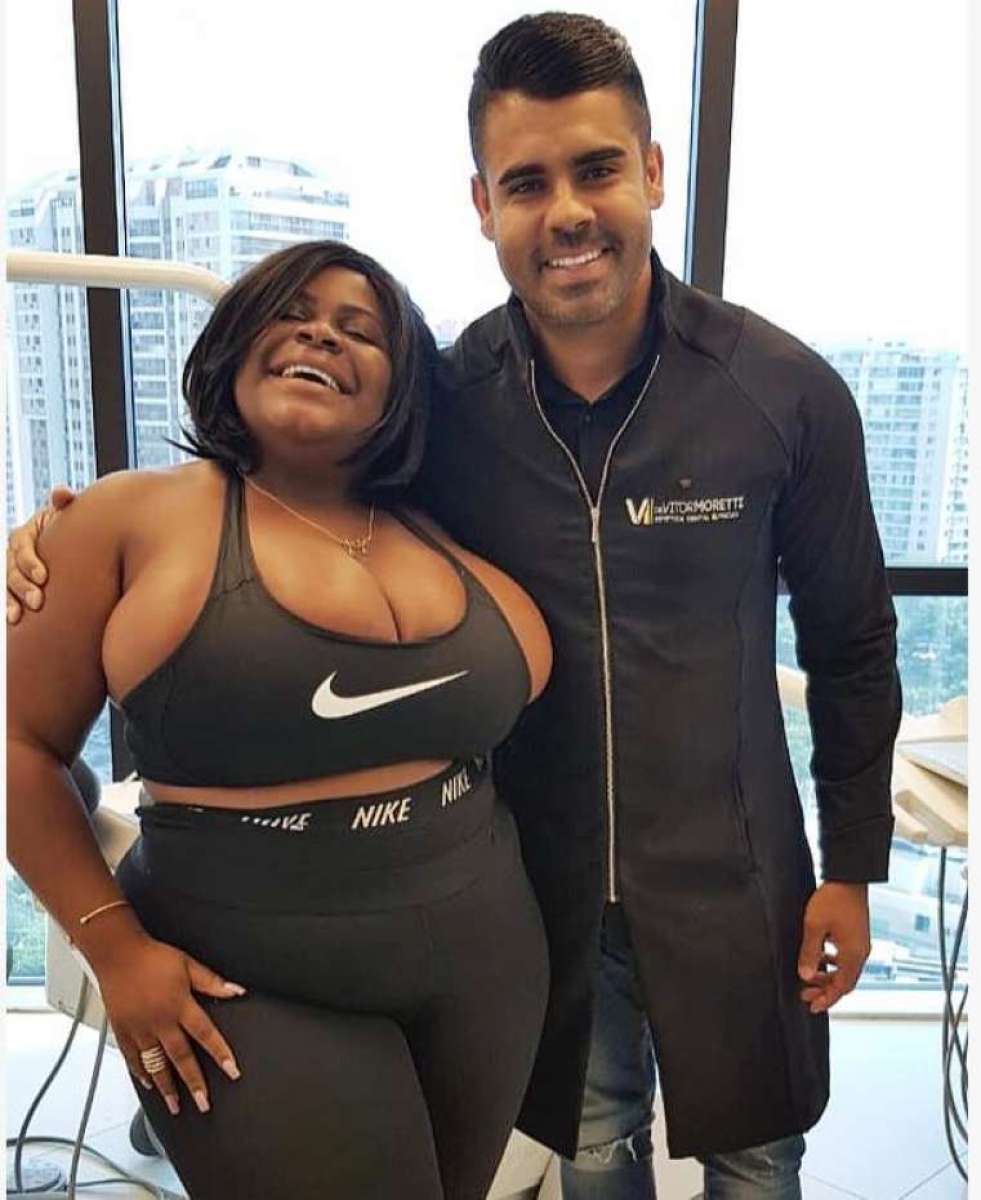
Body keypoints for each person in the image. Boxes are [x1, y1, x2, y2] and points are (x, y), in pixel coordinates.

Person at [7, 13, 903, 1200]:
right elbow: (299, 486)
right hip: (539, 876)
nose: (566, 213)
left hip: (734, 866)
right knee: (593, 1150)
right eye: (526, 183)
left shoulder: (781, 393)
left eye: (596, 169)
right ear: (483, 205)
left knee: (755, 1156)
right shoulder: (450, 404)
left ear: (652, 173)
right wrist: (68, 536)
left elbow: (852, 644)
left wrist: (853, 863)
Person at [7, 240, 554, 1200]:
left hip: (485, 961)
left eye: (360, 330)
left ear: (401, 390)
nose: (320, 335)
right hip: (242, 976)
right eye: (292, 314)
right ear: (234, 345)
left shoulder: (448, 530)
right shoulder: (124, 519)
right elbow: (17, 748)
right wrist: (115, 950)